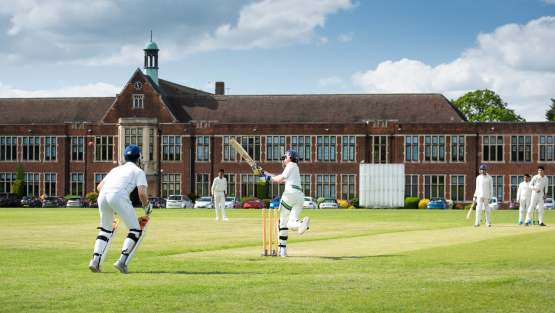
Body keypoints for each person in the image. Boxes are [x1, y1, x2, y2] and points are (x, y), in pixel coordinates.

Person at [88, 145, 152, 274]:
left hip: (103, 196)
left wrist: (112, 204)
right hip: (118, 196)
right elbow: (142, 194)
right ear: (139, 158)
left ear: (124, 158)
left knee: (106, 230)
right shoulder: (138, 171)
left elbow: (100, 187)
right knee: (136, 230)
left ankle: (95, 261)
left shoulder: (115, 169)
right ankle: (122, 261)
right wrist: (147, 206)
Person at [263, 150, 310, 257]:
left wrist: (268, 177)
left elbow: (279, 179)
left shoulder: (290, 165)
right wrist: (264, 172)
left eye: (285, 158)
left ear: (290, 157)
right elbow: (277, 176)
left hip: (289, 194)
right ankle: (301, 223)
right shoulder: (294, 168)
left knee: (282, 223)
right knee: (291, 222)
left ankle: (282, 250)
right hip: (299, 196)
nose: (284, 160)